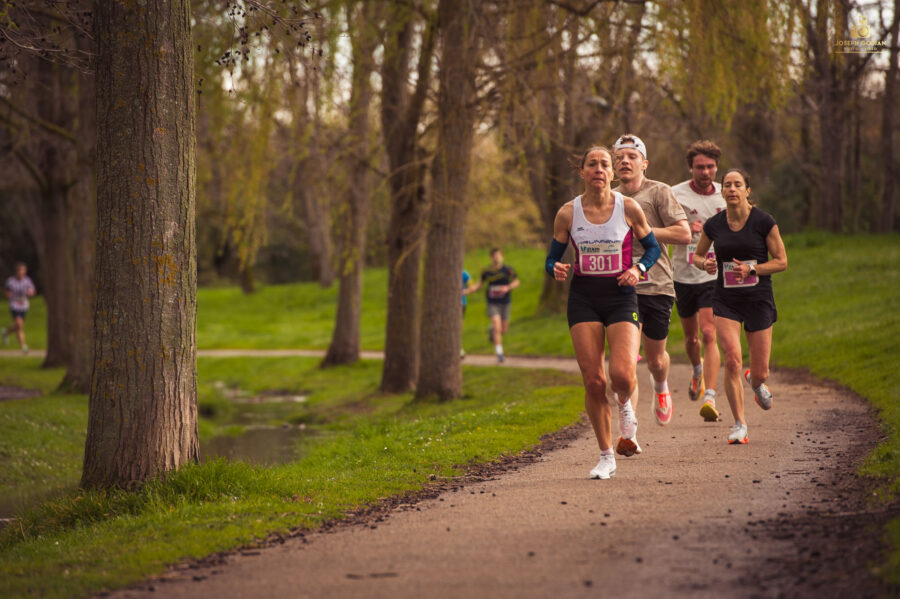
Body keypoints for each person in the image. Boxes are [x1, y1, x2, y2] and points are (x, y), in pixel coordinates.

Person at [545, 145, 660, 479]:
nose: (598, 169)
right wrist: (555, 268)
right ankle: (606, 455)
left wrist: (638, 269)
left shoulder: (629, 207)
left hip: (621, 295)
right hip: (583, 298)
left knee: (622, 376)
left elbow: (652, 247)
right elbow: (552, 258)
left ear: (612, 173)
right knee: (594, 381)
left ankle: (625, 406)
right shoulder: (568, 213)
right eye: (591, 164)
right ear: (582, 172)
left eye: (604, 164)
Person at [692, 169, 787, 444]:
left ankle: (755, 383)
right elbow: (698, 256)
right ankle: (740, 425)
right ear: (722, 191)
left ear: (747, 190)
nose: (732, 189)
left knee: (761, 372)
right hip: (726, 299)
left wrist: (753, 269)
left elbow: (781, 261)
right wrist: (705, 264)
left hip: (758, 299)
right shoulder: (714, 224)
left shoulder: (763, 222)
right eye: (727, 185)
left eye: (738, 185)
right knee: (732, 359)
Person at [612, 134, 690, 439]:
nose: (625, 162)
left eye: (632, 156)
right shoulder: (610, 197)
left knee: (656, 359)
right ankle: (628, 433)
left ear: (644, 163)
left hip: (656, 284)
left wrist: (642, 231)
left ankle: (661, 385)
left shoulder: (659, 192)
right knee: (626, 361)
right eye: (620, 158)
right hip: (621, 288)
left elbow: (684, 234)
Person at [671, 141, 726, 422]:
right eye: (700, 167)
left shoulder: (725, 194)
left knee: (708, 333)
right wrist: (683, 228)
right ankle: (696, 370)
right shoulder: (675, 194)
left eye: (710, 166)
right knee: (691, 338)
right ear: (691, 168)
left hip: (712, 273)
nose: (706, 172)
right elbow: (658, 227)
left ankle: (710, 397)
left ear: (717, 166)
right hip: (682, 273)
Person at [464, 249, 519, 363]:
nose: (496, 258)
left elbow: (516, 282)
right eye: (494, 256)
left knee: (503, 329)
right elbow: (479, 284)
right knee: (497, 327)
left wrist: (508, 287)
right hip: (492, 303)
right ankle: (500, 354)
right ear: (491, 258)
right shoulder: (486, 271)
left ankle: (491, 330)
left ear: (502, 257)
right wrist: (469, 290)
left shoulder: (508, 270)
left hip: (505, 302)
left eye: (498, 256)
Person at [3, 262, 37, 353]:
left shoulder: (27, 281)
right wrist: (8, 295)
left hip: (24, 305)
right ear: (16, 271)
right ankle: (23, 346)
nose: (21, 272)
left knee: (19, 325)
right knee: (19, 324)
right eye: (20, 270)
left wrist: (30, 293)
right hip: (14, 305)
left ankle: (5, 333)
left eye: (23, 270)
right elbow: (5, 290)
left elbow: (32, 291)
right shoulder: (10, 281)